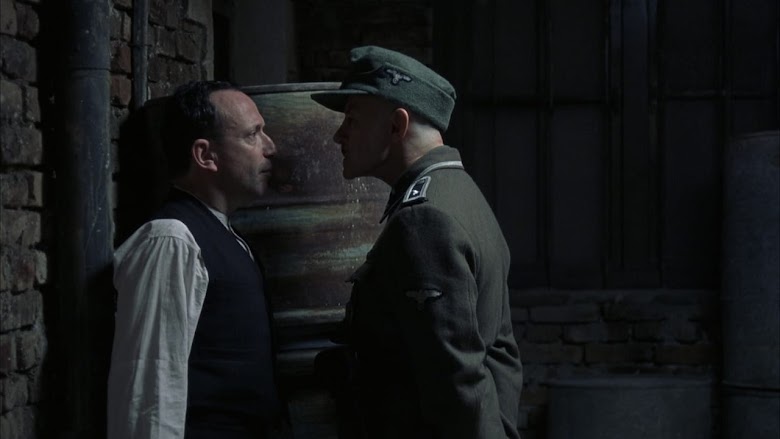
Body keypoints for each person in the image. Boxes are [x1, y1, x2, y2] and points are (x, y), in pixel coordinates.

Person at [311, 46, 524, 438]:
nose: (339, 134)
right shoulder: (458, 192)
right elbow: (499, 356)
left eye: (352, 119)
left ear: (397, 126)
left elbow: (458, 383)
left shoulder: (424, 219)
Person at [107, 80, 285, 439]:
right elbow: (150, 390)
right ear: (206, 156)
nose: (270, 147)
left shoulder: (226, 237)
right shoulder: (171, 240)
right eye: (252, 135)